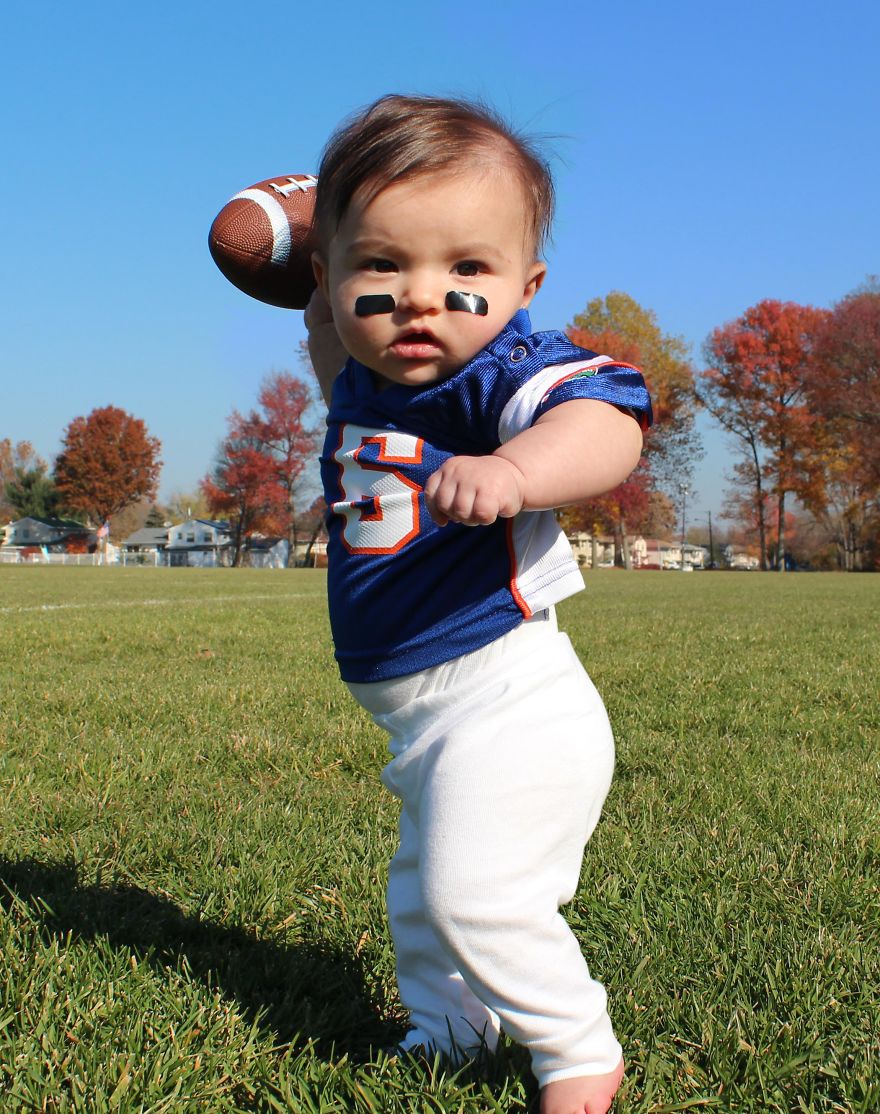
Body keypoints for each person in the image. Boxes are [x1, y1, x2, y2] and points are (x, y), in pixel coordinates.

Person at [304, 94, 652, 1114]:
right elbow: (333, 346)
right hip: (424, 718)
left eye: (466, 269)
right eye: (382, 266)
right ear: (331, 282)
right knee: (419, 897)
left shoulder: (500, 374)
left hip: (509, 704)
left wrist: (518, 469)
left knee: (475, 893)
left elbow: (609, 418)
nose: (422, 297)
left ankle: (577, 1051)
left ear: (523, 287)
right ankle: (450, 1032)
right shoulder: (366, 381)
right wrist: (313, 286)